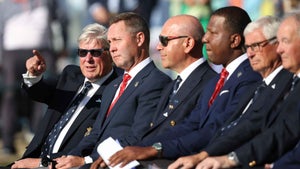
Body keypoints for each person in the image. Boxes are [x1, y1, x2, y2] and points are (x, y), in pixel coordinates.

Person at [101, 6, 262, 169]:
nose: (205, 39)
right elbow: (189, 125)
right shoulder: (217, 81)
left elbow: (217, 129)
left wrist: (155, 149)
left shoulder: (248, 78)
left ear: (234, 40)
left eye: (213, 33)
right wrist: (132, 150)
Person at [89, 14, 217, 169]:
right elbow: (153, 131)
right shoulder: (173, 86)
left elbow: (197, 133)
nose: (158, 47)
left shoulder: (211, 83)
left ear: (188, 43)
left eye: (165, 40)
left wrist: (149, 150)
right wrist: (124, 152)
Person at [168, 15, 294, 169]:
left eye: (256, 46)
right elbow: (239, 127)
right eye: (248, 47)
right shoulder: (259, 86)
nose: (250, 54)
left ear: (275, 44)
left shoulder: (281, 82)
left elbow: (274, 131)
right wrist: (204, 155)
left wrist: (230, 159)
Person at [53, 12, 171, 168]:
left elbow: (138, 137)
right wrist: (69, 159)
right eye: (109, 42)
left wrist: (86, 161)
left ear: (140, 39)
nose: (112, 48)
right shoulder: (113, 86)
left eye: (117, 40)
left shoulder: (156, 82)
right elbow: (96, 134)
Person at [10, 23, 121, 168]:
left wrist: (40, 164)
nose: (88, 59)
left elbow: (89, 148)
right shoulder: (71, 75)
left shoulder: (117, 90)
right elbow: (40, 93)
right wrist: (34, 76)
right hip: (31, 159)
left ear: (110, 54)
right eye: (82, 52)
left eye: (95, 53)